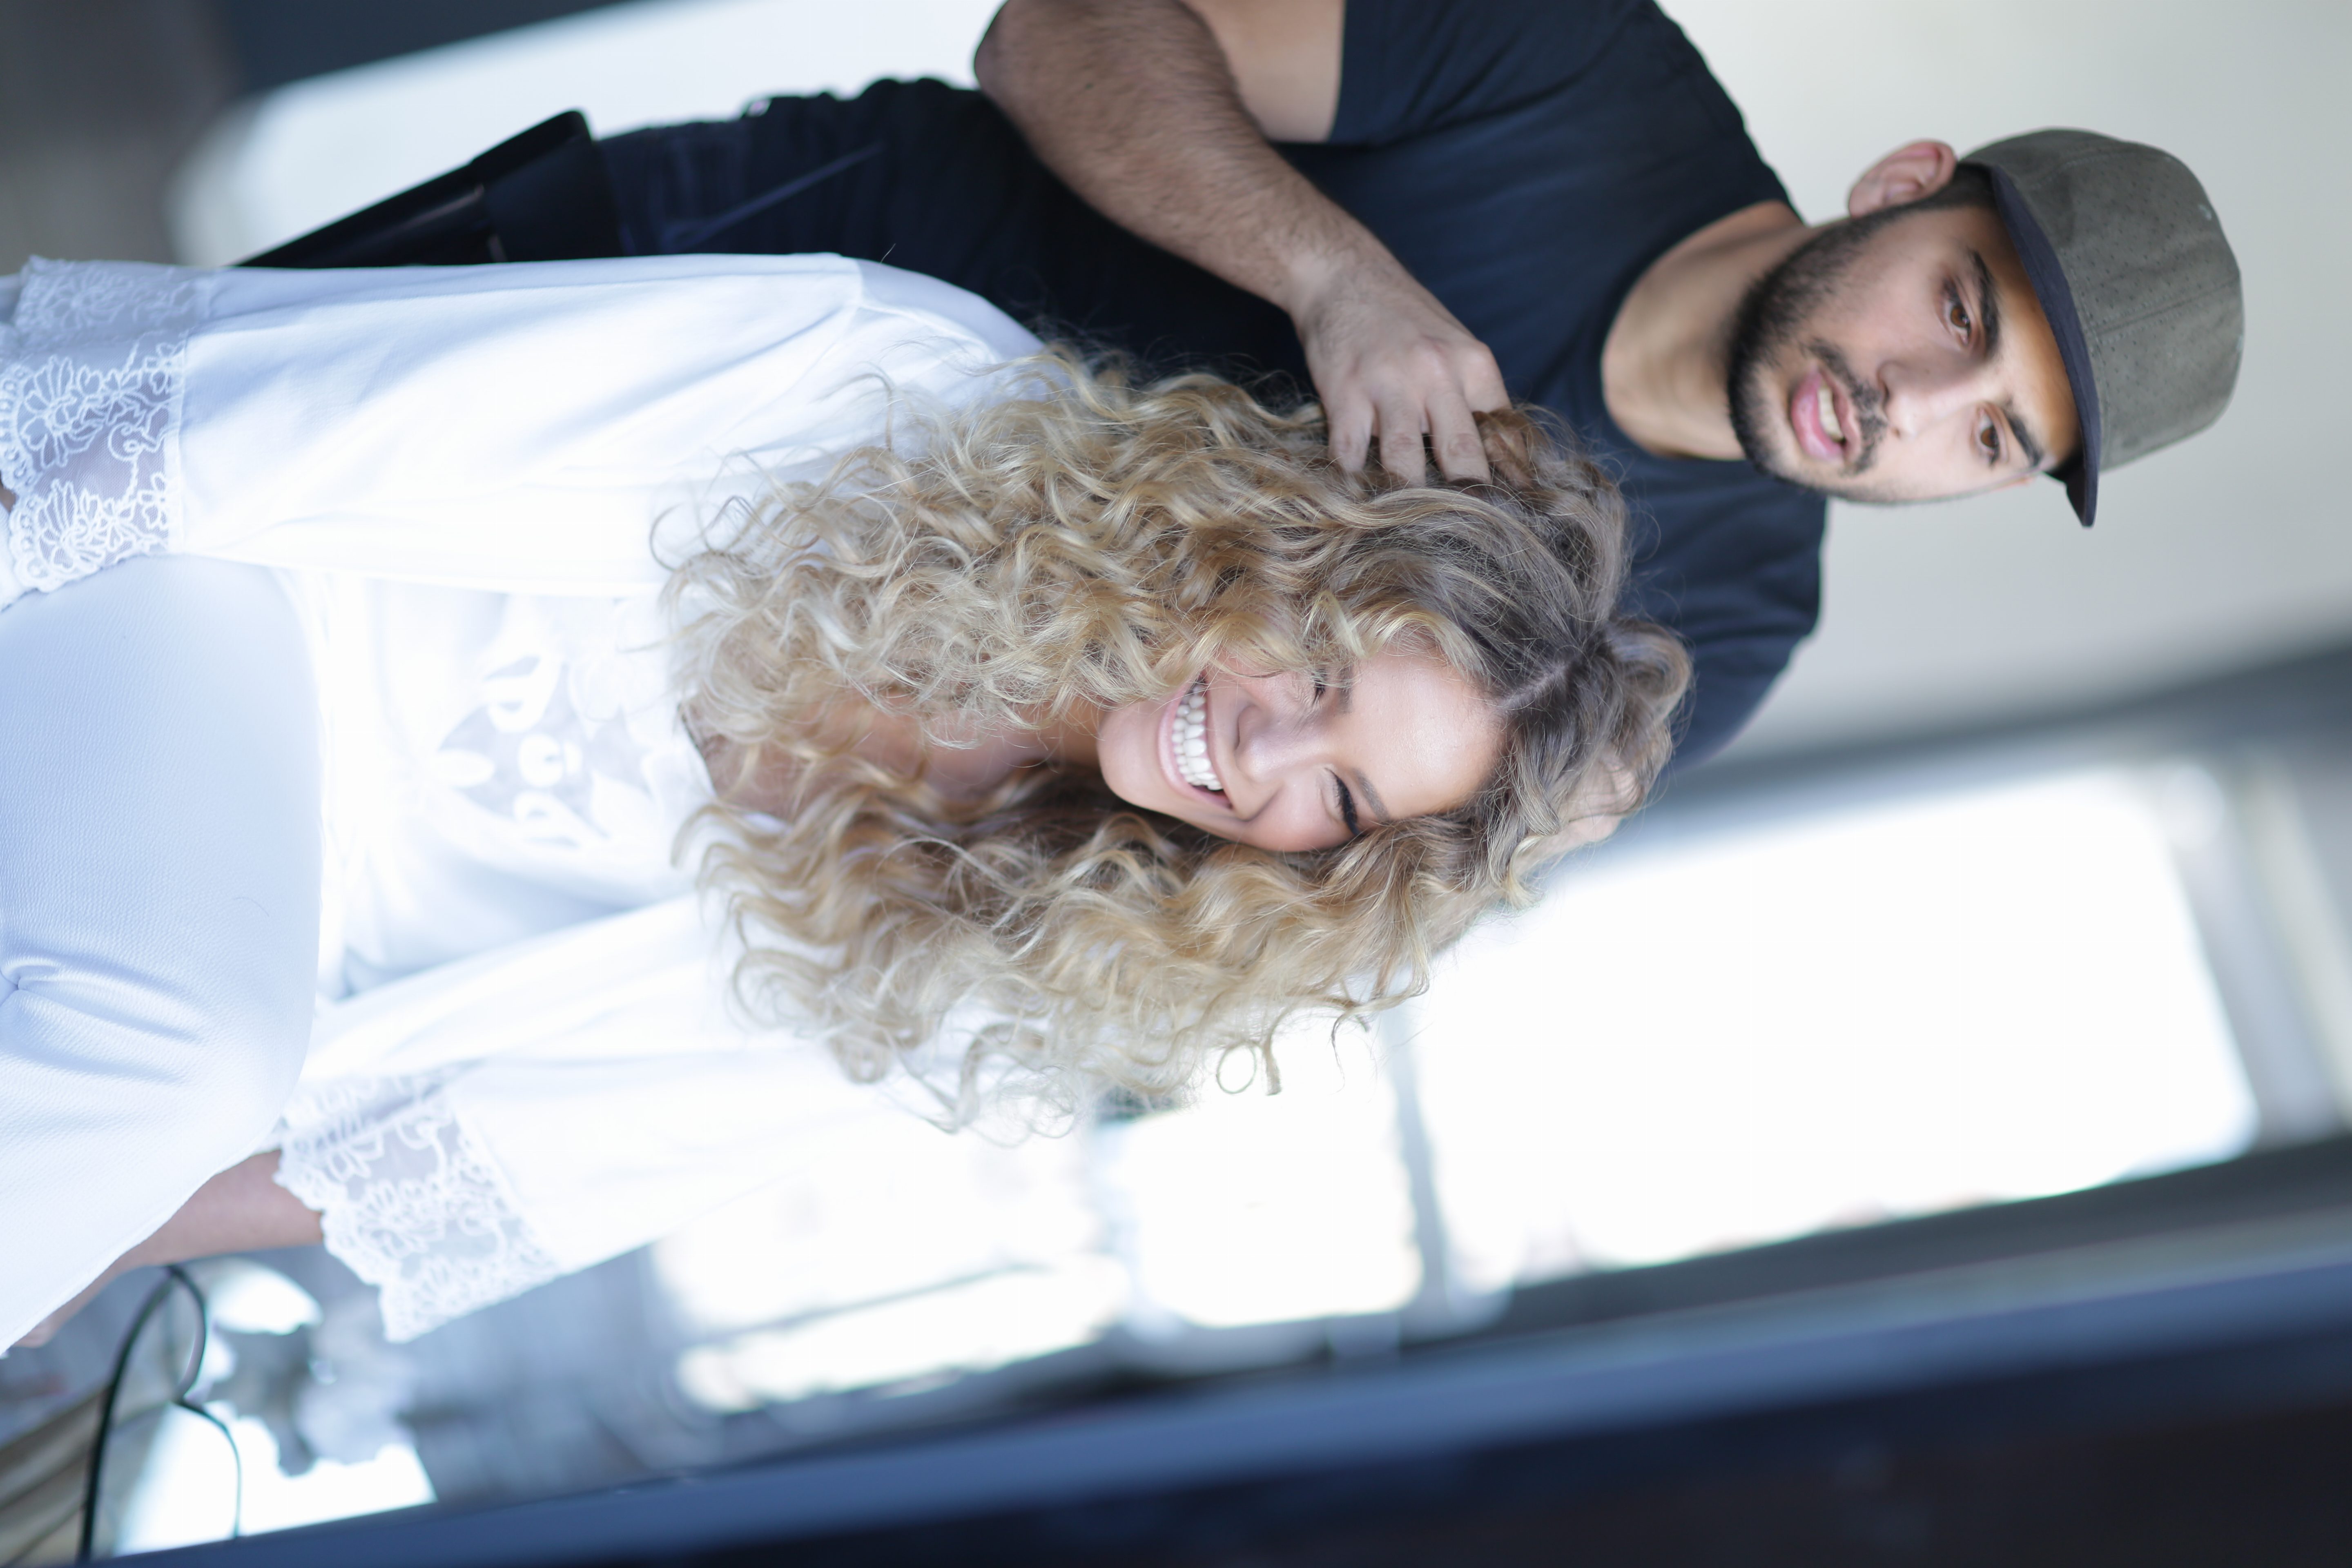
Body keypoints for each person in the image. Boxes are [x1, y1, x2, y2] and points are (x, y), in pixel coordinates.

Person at [0, 252, 1685, 1347]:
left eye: (1344, 798)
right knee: (186, 1055)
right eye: (1317, 670)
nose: (1263, 755)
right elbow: (288, 420)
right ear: (1284, 544)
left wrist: (75, 1238)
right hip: (207, 597)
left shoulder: (997, 985)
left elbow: (423, 1175)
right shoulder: (904, 382)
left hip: (178, 988)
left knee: (181, 1072)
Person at [596, 0, 2245, 766]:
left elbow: (1331, 862)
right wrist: (1333, 274)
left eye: (1995, 435)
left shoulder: (1718, 639)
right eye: (1957, 307)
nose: (1914, 401)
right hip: (736, 288)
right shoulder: (1583, 66)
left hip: (817, 667)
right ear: (1899, 186)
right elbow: (1059, 34)